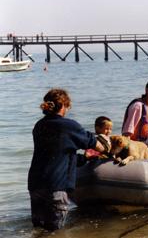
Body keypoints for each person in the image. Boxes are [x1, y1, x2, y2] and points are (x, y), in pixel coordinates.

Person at [28, 88, 110, 231]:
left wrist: (84, 158)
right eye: (68, 106)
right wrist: (106, 148)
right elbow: (93, 143)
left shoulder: (39, 126)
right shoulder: (69, 126)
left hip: (35, 184)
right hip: (56, 186)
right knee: (54, 231)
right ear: (64, 105)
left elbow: (58, 155)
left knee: (39, 229)